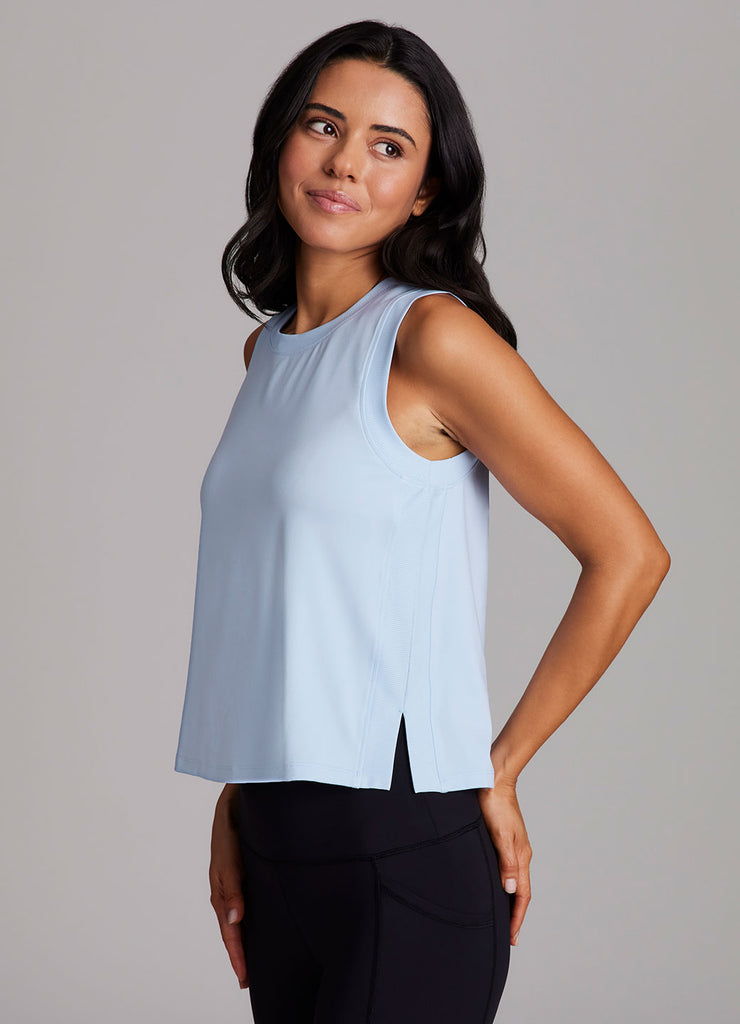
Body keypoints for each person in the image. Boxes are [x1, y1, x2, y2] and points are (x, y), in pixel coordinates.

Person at [174, 19, 670, 1023]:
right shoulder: (266, 355)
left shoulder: (431, 335)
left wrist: (499, 764)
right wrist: (238, 796)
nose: (345, 163)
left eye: (388, 146)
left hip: (401, 859)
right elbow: (290, 607)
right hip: (276, 853)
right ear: (281, 138)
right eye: (323, 126)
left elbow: (628, 553)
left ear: (426, 190)